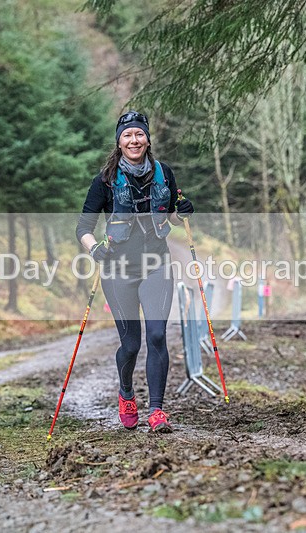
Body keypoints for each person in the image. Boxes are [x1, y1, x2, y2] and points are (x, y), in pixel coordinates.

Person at [76, 110, 194, 433]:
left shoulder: (164, 174)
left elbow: (170, 215)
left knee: (157, 335)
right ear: (119, 142)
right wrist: (95, 248)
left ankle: (156, 411)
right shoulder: (104, 181)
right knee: (131, 345)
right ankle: (126, 393)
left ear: (147, 139)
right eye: (127, 135)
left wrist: (182, 211)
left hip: (157, 266)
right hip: (118, 271)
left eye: (139, 134)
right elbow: (83, 228)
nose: (134, 140)